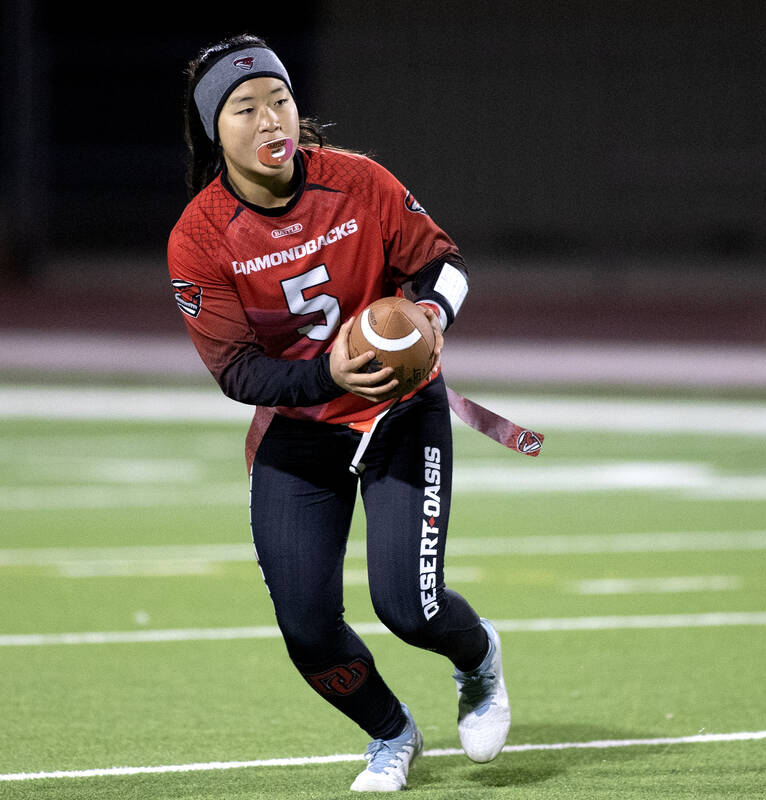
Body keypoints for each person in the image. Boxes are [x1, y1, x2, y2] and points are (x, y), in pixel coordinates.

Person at [167, 33, 512, 792]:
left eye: (280, 100)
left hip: (398, 416)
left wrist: (427, 317)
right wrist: (326, 372)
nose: (270, 121)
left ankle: (477, 656)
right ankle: (391, 733)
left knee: (410, 608)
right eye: (245, 109)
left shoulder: (357, 182)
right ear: (212, 131)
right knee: (306, 627)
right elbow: (236, 370)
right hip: (298, 433)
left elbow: (443, 263)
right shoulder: (198, 237)